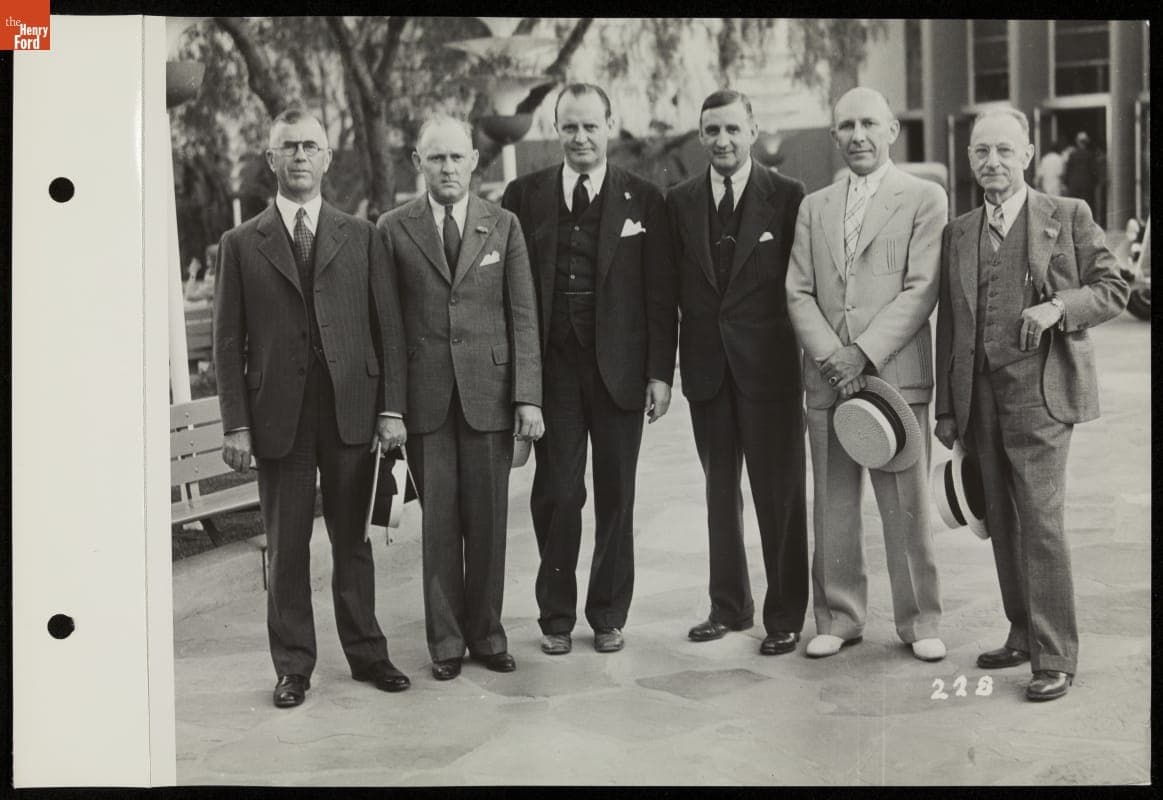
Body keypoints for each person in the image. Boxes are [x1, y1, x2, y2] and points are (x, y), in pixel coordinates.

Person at [214, 108, 410, 708]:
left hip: (350, 411)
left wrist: (392, 410)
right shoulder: (242, 243)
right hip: (279, 419)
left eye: (311, 146)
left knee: (353, 541)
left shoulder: (363, 235)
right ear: (271, 160)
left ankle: (368, 654)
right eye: (288, 147)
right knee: (288, 543)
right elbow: (228, 342)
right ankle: (293, 667)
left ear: (328, 158)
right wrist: (237, 424)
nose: (300, 156)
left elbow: (388, 329)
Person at [935, 107, 1128, 701]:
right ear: (970, 161)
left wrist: (1057, 308)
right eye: (980, 152)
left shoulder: (1067, 215)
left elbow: (1112, 288)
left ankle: (1055, 656)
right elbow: (951, 324)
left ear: (1027, 154)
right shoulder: (959, 230)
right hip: (978, 399)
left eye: (1003, 150)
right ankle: (1021, 631)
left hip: (1041, 397)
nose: (991, 161)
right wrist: (948, 409)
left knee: (1041, 521)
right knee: (1000, 519)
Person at [500, 84, 678, 656]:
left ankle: (606, 613)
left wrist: (660, 371)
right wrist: (519, 384)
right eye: (569, 128)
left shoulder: (644, 200)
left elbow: (659, 294)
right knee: (557, 492)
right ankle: (555, 615)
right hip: (553, 372)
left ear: (608, 126)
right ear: (557, 130)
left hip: (621, 370)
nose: (580, 138)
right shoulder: (523, 195)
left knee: (616, 494)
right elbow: (508, 293)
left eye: (590, 127)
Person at [377, 116, 544, 681]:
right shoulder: (393, 228)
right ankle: (446, 643)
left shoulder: (504, 225)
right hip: (426, 402)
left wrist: (528, 399)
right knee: (440, 526)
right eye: (435, 159)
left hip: (489, 397)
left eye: (456, 158)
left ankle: (488, 634)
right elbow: (389, 326)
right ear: (417, 163)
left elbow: (522, 316)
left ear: (475, 160)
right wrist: (391, 407)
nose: (447, 169)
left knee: (490, 522)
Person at [786, 87, 947, 661]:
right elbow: (798, 291)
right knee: (832, 503)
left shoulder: (924, 198)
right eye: (846, 125)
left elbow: (922, 287)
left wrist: (865, 353)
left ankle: (920, 620)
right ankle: (838, 615)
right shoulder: (815, 206)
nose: (857, 135)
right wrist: (834, 356)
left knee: (905, 503)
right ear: (834, 135)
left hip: (894, 376)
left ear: (891, 131)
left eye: (868, 124)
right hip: (828, 377)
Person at [666, 89, 808, 656]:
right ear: (700, 137)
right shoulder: (678, 201)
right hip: (707, 373)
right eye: (710, 131)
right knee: (719, 494)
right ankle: (729, 606)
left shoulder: (789, 196)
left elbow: (803, 287)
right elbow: (666, 291)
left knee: (780, 497)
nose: (722, 141)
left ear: (752, 129)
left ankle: (785, 614)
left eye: (731, 129)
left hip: (770, 375)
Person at [1063, 131, 1098, 212]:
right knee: (1087, 207)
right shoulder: (1090, 155)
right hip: (1087, 186)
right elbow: (1094, 171)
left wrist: (1066, 183)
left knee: (1074, 208)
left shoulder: (1072, 155)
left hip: (1074, 185)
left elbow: (1068, 171)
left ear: (1077, 142)